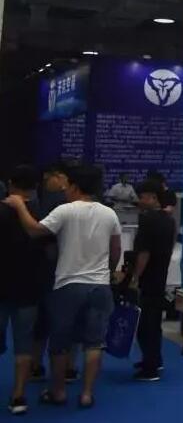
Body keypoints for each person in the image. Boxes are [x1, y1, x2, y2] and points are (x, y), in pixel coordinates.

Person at [4, 165, 120, 410]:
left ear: (75, 187)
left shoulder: (65, 210)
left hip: (68, 284)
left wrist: (19, 206)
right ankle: (86, 393)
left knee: (60, 342)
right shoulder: (109, 213)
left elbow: (35, 230)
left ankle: (58, 391)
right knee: (94, 343)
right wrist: (107, 272)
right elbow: (115, 250)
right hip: (99, 285)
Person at [0, 167, 50, 415]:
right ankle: (19, 395)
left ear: (10, 183)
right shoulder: (44, 215)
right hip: (29, 288)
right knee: (24, 344)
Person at [128, 180, 176, 381]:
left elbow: (144, 253)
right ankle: (155, 359)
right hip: (160, 274)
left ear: (153, 197)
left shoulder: (147, 220)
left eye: (142, 197)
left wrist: (135, 277)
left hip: (148, 277)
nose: (139, 200)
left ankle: (150, 368)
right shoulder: (169, 220)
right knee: (154, 322)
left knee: (145, 324)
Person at [31, 163, 75, 384]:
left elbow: (39, 232)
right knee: (69, 322)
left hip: (50, 268)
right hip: (70, 270)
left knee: (43, 322)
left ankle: (37, 366)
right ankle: (68, 368)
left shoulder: (51, 202)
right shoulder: (78, 204)